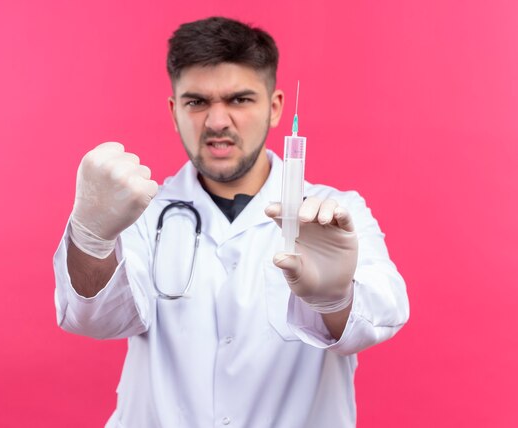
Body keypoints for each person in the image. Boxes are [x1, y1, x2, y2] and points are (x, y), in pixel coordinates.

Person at [53, 16, 409, 428]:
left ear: (275, 108)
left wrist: (335, 301)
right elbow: (95, 319)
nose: (217, 122)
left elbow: (385, 311)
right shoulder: (139, 212)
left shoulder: (335, 213)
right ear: (174, 111)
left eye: (239, 100)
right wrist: (92, 237)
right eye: (197, 102)